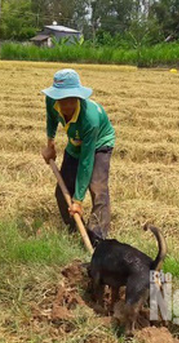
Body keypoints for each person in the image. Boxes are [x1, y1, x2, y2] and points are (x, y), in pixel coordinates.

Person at [41, 69, 116, 239]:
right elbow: (51, 118)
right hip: (75, 142)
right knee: (62, 191)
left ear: (79, 97)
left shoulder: (90, 119)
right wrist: (50, 144)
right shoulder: (52, 100)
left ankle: (98, 237)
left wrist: (78, 201)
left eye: (71, 100)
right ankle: (74, 229)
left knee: (98, 188)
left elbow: (86, 161)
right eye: (62, 100)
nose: (66, 105)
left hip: (99, 143)